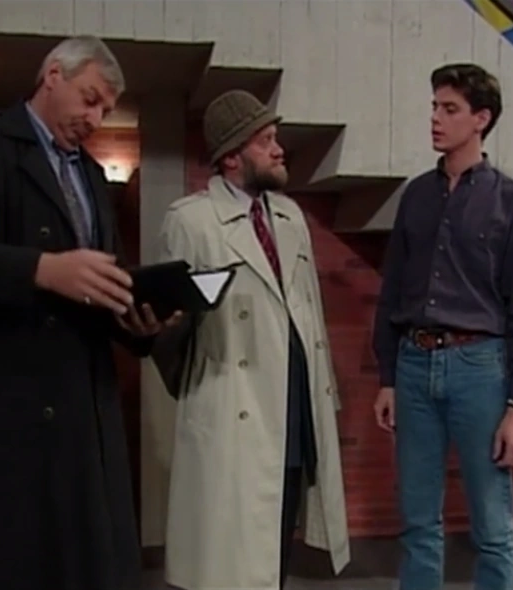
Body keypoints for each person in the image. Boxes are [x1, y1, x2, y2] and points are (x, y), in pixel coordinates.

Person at [0, 35, 179, 590]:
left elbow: (101, 280)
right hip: (2, 408)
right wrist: (42, 269)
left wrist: (136, 326)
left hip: (78, 411)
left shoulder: (93, 177)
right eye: (90, 99)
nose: (95, 119)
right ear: (53, 75)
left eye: (105, 110)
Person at [153, 90, 350, 590]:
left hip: (293, 404)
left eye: (275, 138)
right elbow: (167, 330)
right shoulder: (191, 220)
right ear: (232, 156)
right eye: (265, 141)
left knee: (275, 541)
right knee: (230, 554)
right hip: (234, 409)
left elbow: (311, 314)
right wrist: (200, 390)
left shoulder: (289, 217)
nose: (279, 150)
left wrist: (325, 392)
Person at [372, 63, 513, 590]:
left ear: (481, 119)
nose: (435, 118)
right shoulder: (416, 197)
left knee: (492, 524)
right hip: (413, 363)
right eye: (434, 106)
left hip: (480, 368)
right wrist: (387, 376)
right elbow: (393, 291)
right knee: (417, 520)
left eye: (449, 109)